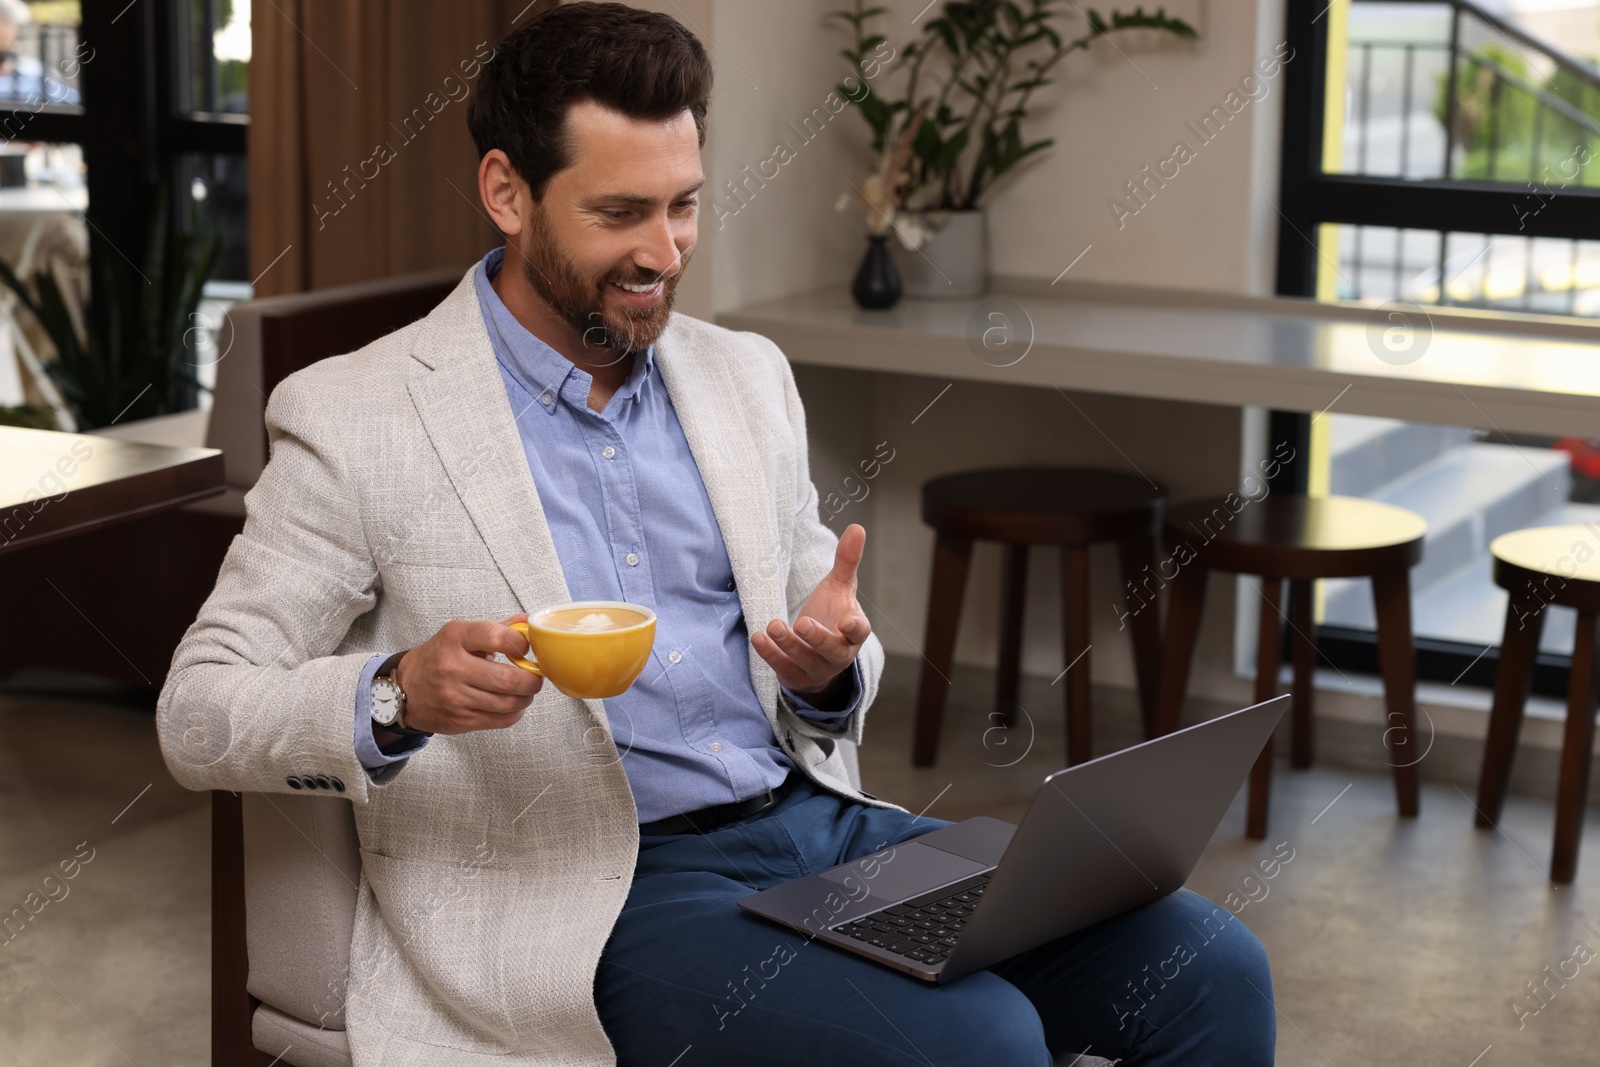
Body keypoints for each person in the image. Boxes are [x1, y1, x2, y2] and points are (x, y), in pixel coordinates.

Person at [157, 4, 1275, 1064]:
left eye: (682, 203)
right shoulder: (358, 413)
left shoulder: (743, 378)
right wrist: (398, 690)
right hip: (595, 893)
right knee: (974, 1039)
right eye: (618, 213)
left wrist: (832, 669)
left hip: (814, 829)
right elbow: (199, 708)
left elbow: (820, 633)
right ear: (506, 191)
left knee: (1209, 965)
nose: (664, 252)